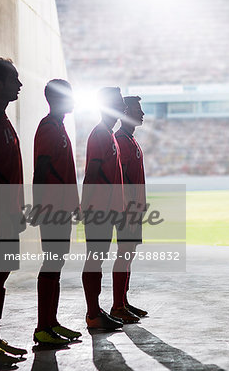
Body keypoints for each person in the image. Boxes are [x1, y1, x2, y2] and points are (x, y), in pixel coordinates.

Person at [32, 79, 81, 345]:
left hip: (61, 207)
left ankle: (51, 321)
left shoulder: (59, 127)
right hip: (52, 207)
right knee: (51, 262)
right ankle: (42, 326)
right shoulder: (48, 128)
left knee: (57, 262)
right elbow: (41, 169)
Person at [81, 87, 126, 330]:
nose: (124, 107)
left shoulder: (107, 134)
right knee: (94, 259)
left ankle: (95, 310)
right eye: (120, 102)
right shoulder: (100, 134)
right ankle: (92, 313)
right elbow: (92, 174)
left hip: (106, 210)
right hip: (99, 210)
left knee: (98, 259)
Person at [0, 58, 26, 365]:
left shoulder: (4, 120)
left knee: (1, 277)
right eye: (13, 79)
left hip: (8, 211)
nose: (19, 85)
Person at [112, 96, 148, 322]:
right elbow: (121, 176)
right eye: (137, 109)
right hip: (127, 209)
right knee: (124, 253)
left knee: (129, 253)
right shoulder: (120, 140)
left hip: (135, 208)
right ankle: (117, 305)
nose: (142, 113)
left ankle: (123, 301)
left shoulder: (130, 139)